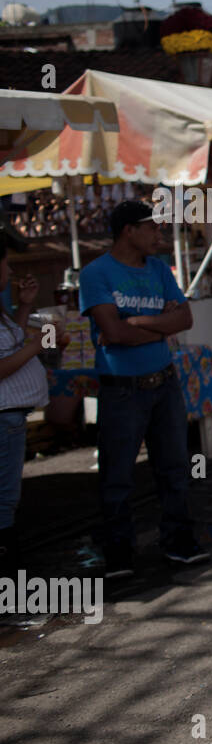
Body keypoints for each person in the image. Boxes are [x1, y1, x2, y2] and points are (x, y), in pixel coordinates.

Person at [80, 200, 206, 577]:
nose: (159, 233)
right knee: (117, 474)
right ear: (128, 231)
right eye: (152, 227)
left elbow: (184, 318)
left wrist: (136, 321)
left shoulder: (158, 269)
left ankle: (178, 542)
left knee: (174, 468)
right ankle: (119, 552)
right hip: (122, 390)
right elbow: (113, 332)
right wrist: (158, 325)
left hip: (164, 383)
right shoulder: (96, 274)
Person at [0, 246, 67, 575]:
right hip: (4, 418)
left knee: (7, 501)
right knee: (3, 503)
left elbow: (8, 344)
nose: (10, 273)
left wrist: (24, 307)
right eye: (6, 265)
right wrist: (37, 345)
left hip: (11, 417)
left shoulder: (2, 309)